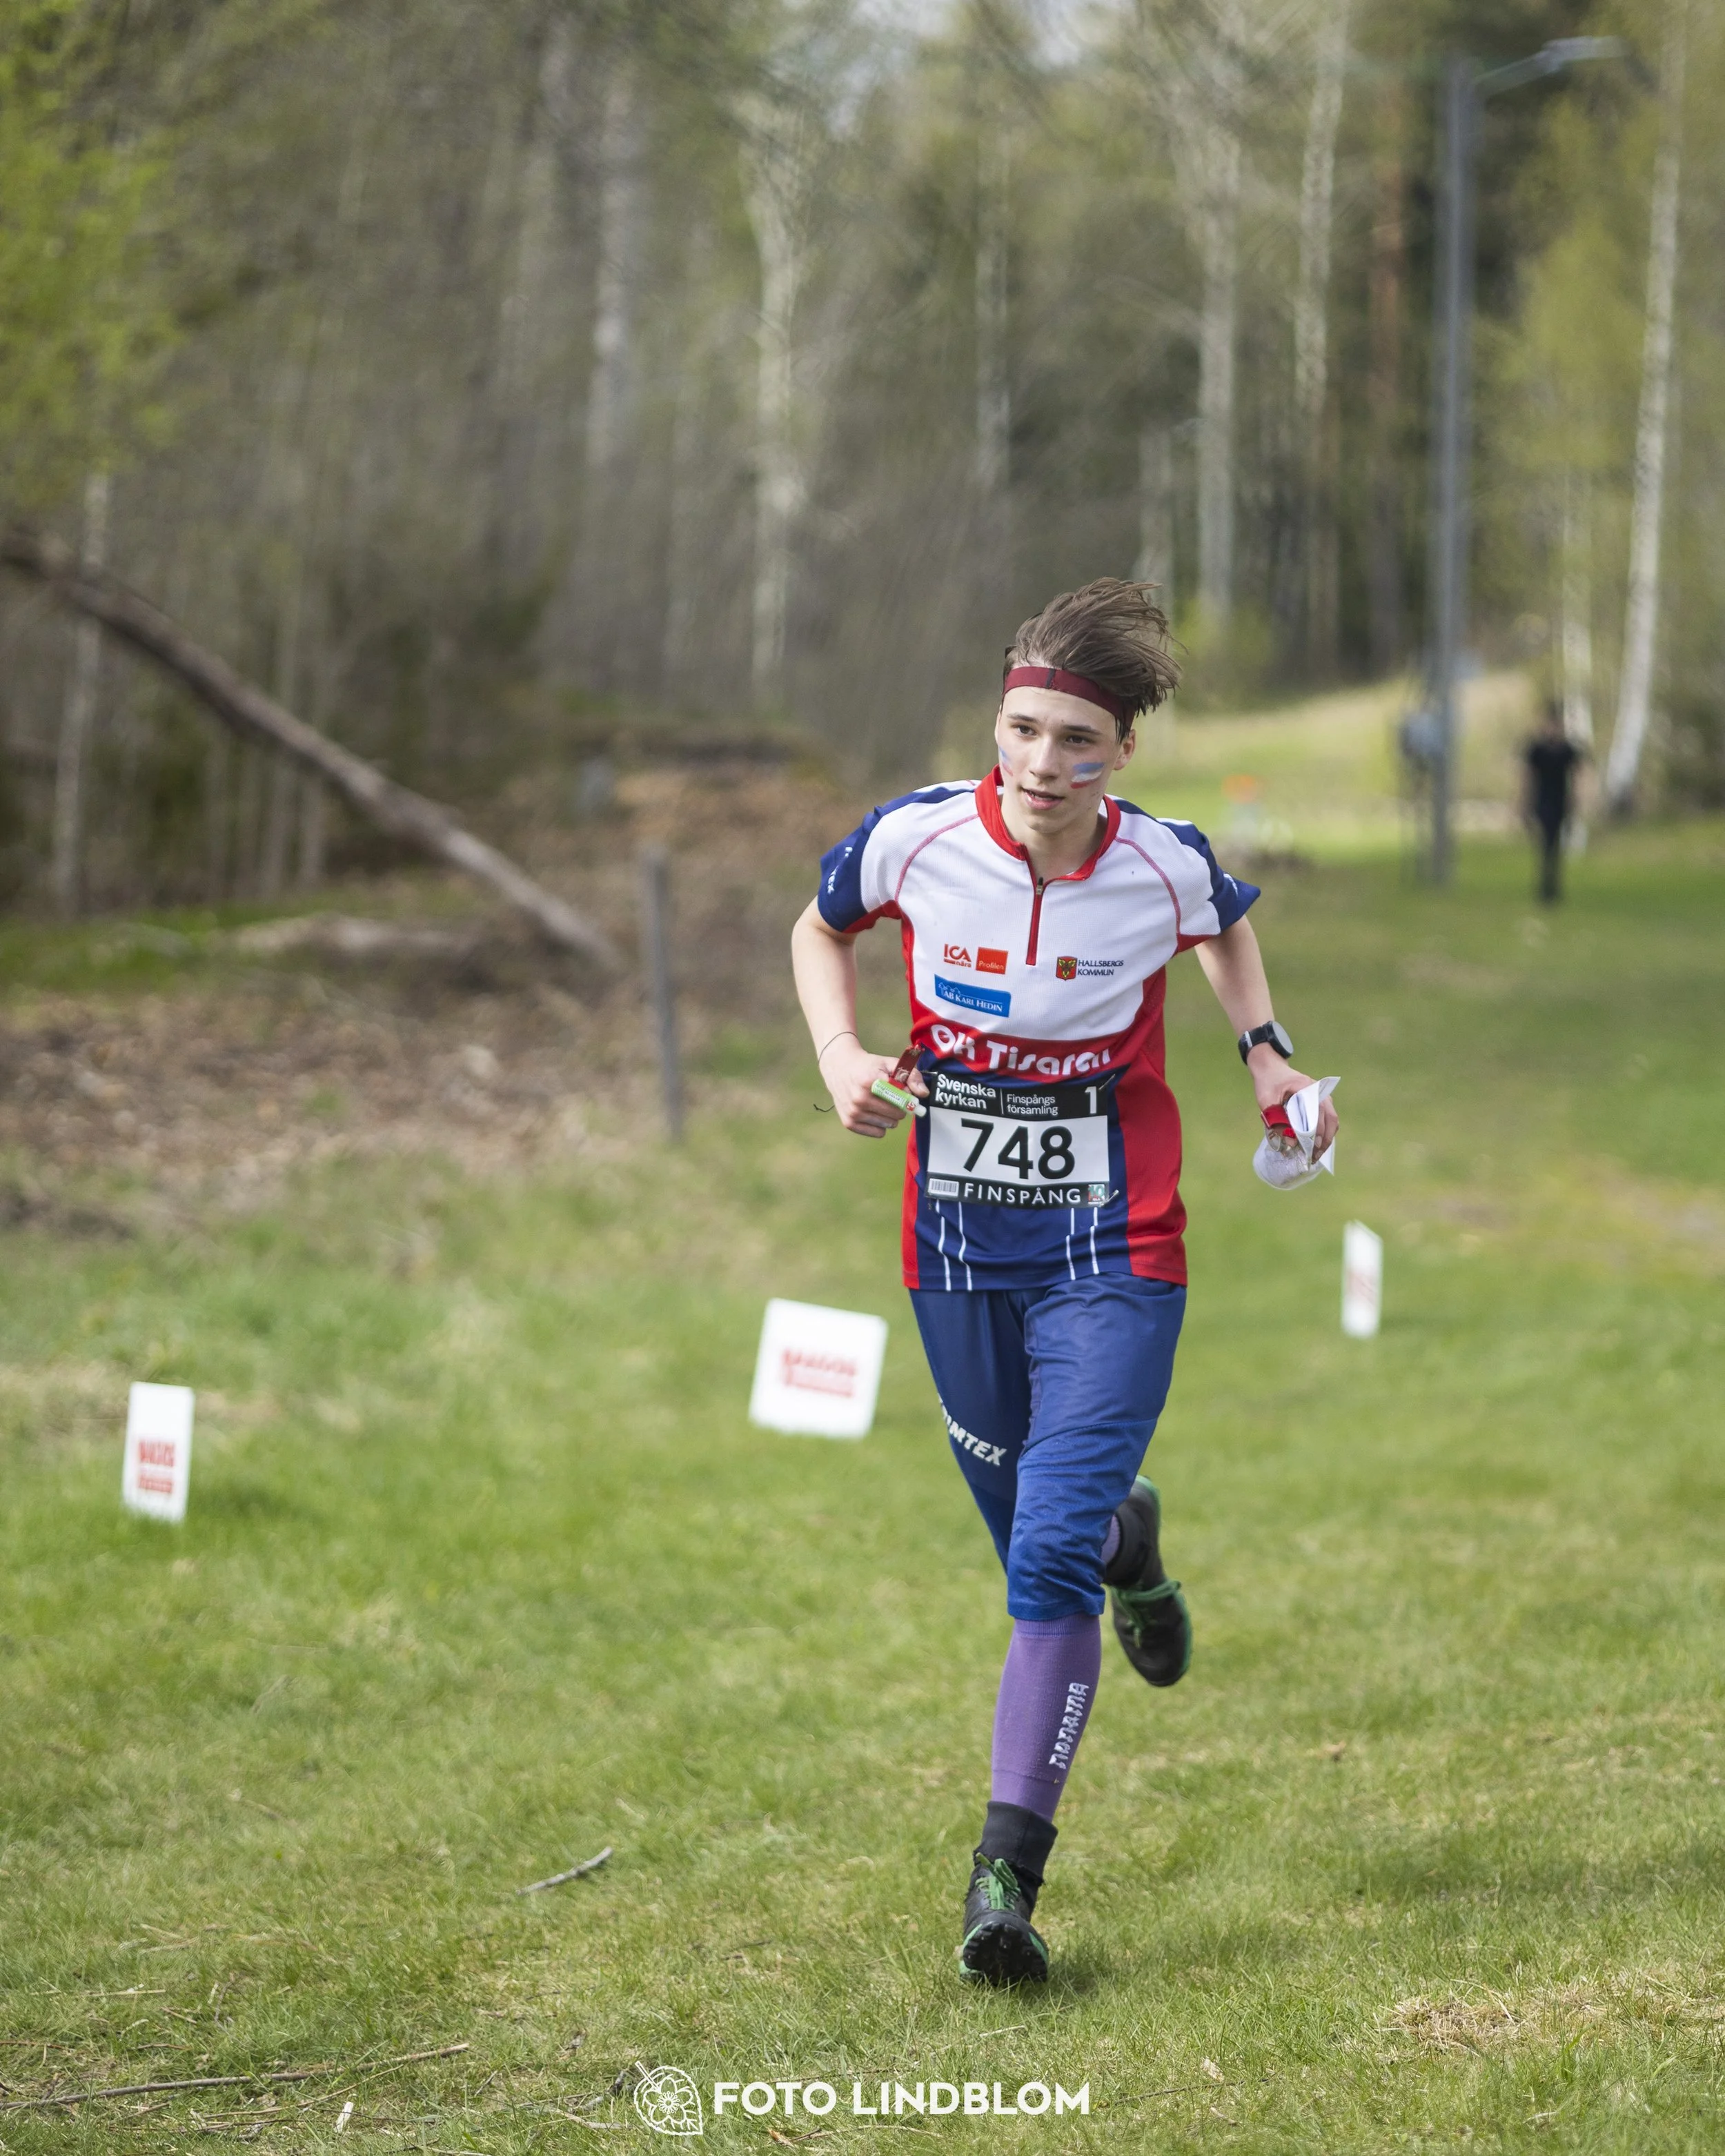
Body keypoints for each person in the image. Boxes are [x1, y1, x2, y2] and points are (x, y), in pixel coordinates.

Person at [789, 579, 1337, 1988]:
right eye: (1023, 731)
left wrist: (1263, 1050)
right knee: (1046, 1533)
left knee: (1039, 1567)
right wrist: (843, 1059)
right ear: (997, 726)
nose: (1042, 764)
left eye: (1076, 742)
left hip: (1114, 1237)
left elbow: (1220, 922)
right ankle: (1128, 1537)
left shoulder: (1158, 863)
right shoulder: (914, 838)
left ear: (1118, 758)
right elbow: (817, 927)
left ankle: (1000, 1884)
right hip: (956, 1245)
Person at [1523, 699, 1586, 903]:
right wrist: (1523, 802)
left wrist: (1577, 799)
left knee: (1555, 843)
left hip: (1560, 799)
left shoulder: (1567, 750)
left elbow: (1576, 776)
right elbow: (1528, 776)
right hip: (1542, 799)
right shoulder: (1537, 749)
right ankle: (1546, 887)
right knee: (1546, 842)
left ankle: (1551, 887)